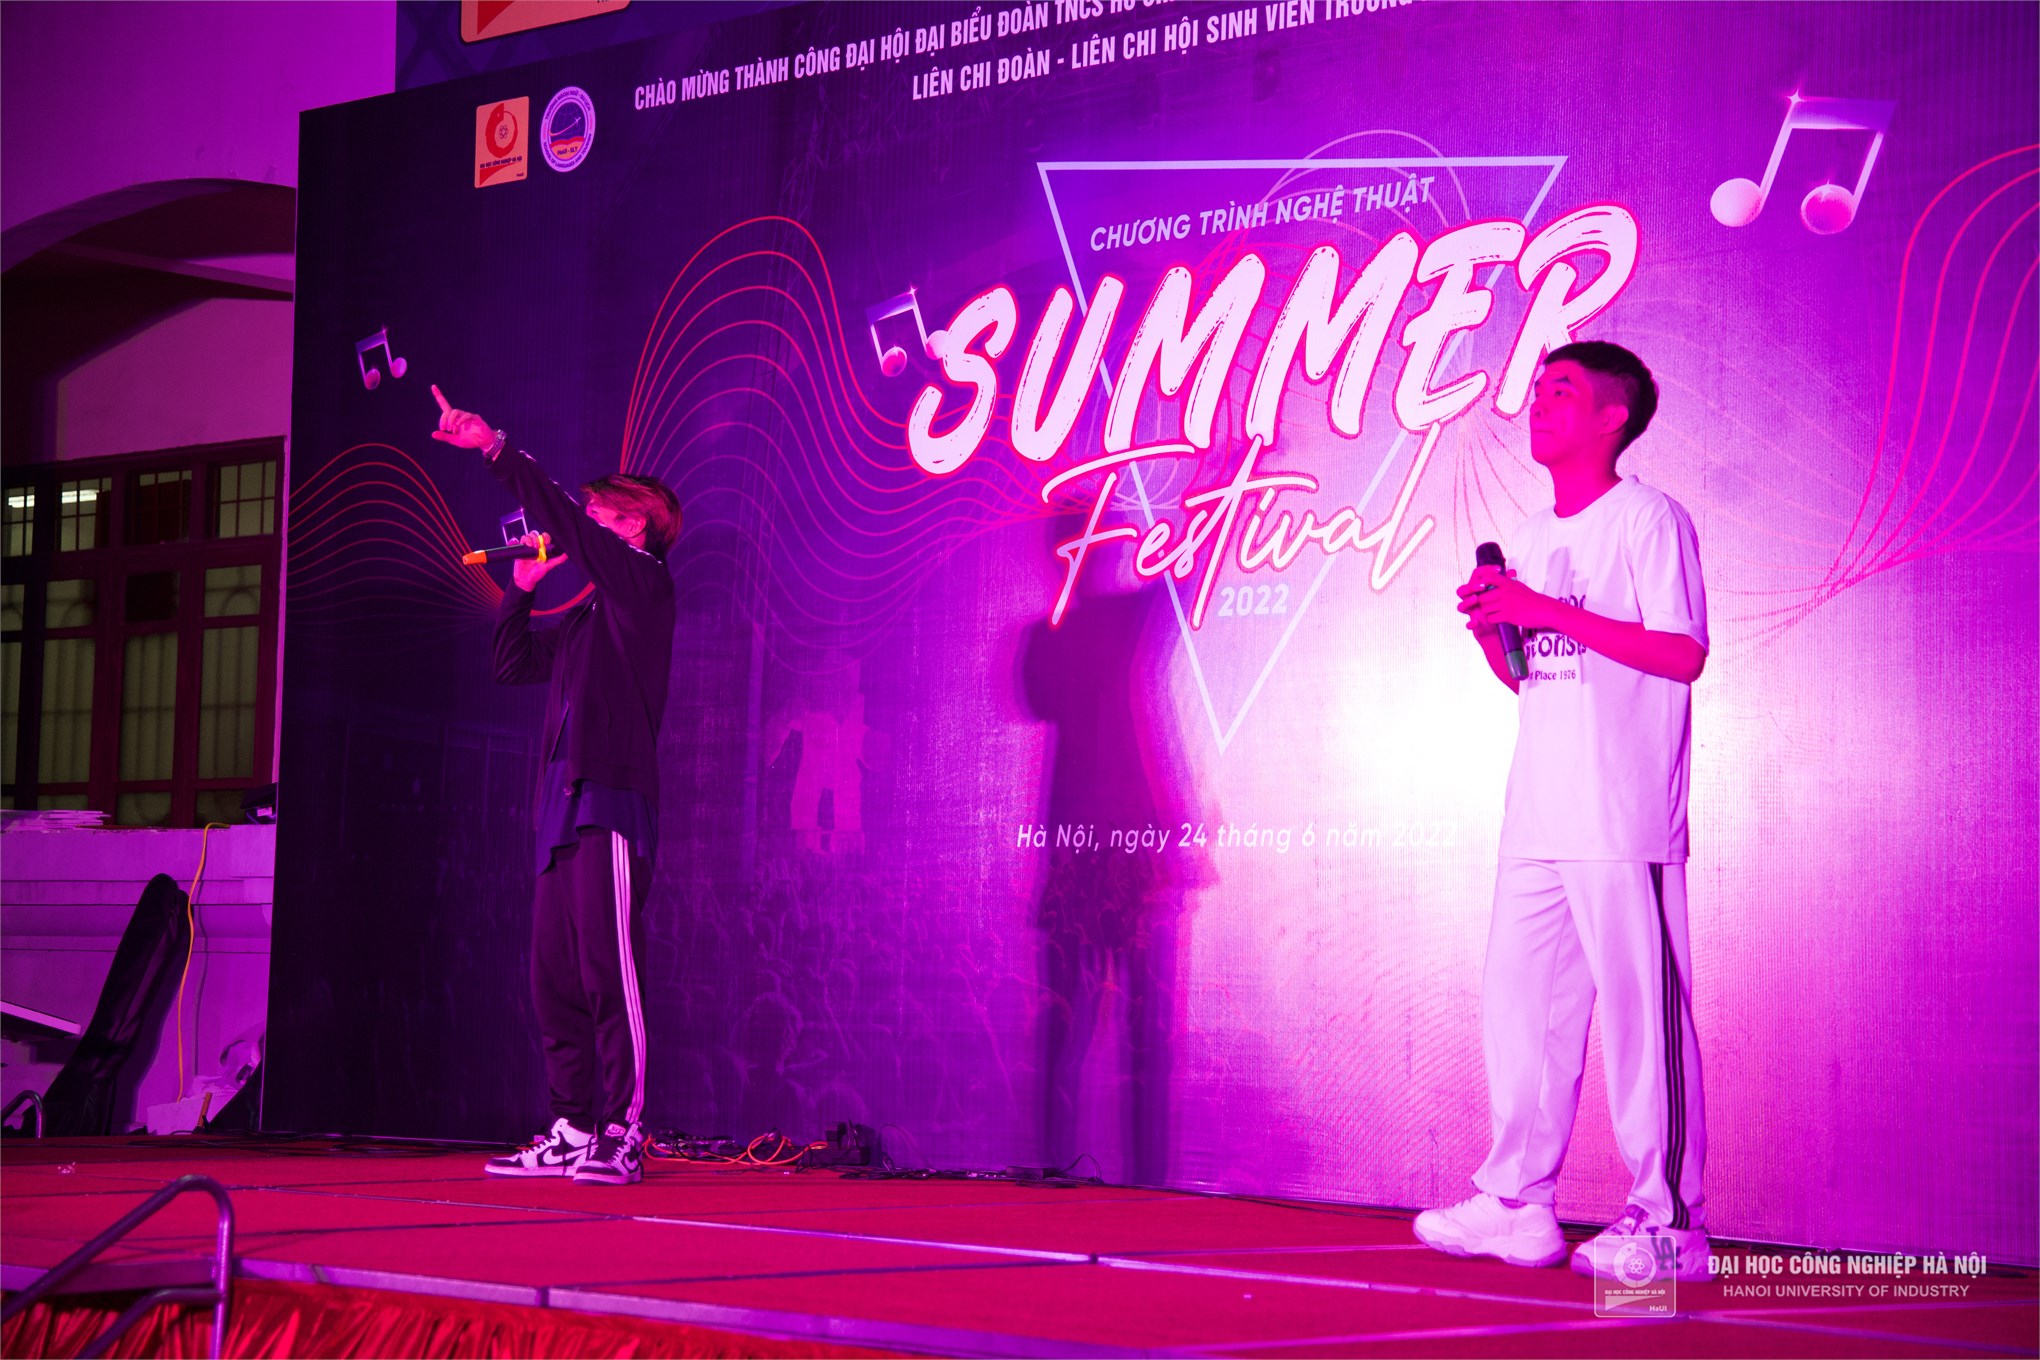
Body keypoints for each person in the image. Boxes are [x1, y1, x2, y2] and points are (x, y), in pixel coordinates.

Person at [1415, 342, 1713, 1282]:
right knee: (1524, 1012)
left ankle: (1668, 1225)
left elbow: (1682, 652)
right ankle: (1518, 1205)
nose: (1538, 403)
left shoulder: (1649, 518)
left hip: (1621, 813)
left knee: (1642, 1018)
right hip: (1538, 811)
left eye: (1562, 390)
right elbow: (1532, 676)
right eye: (1538, 388)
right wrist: (1494, 632)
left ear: (1613, 416)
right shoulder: (1533, 531)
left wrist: (1545, 608)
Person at [430, 385, 680, 1186]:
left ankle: (624, 1130)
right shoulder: (584, 620)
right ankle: (572, 1126)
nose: (585, 518)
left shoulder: (644, 587)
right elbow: (511, 664)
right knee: (555, 977)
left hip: (611, 800)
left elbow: (568, 526)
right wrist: (525, 589)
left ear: (634, 525)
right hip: (561, 810)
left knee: (609, 970)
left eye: (600, 511)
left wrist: (495, 447)